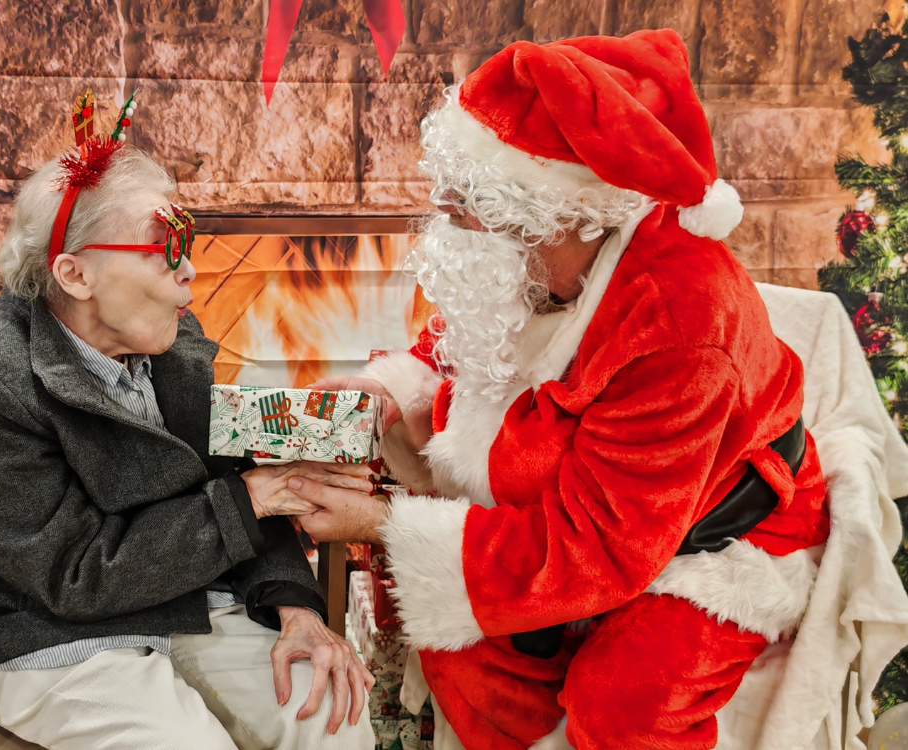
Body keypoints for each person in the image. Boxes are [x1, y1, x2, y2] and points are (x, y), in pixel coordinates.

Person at [287, 30, 831, 750]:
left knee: (624, 704)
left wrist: (381, 525)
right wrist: (382, 393)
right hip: (582, 504)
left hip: (714, 535)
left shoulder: (681, 321)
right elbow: (451, 348)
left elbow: (601, 546)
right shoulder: (522, 258)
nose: (447, 213)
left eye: (475, 200)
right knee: (458, 648)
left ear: (566, 213)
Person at [0, 93, 376, 750]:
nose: (189, 270)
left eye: (187, 237)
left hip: (175, 591)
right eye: (164, 246)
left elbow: (235, 486)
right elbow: (73, 573)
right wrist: (251, 497)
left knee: (334, 720)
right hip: (34, 629)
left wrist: (294, 607)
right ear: (75, 274)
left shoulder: (170, 343)